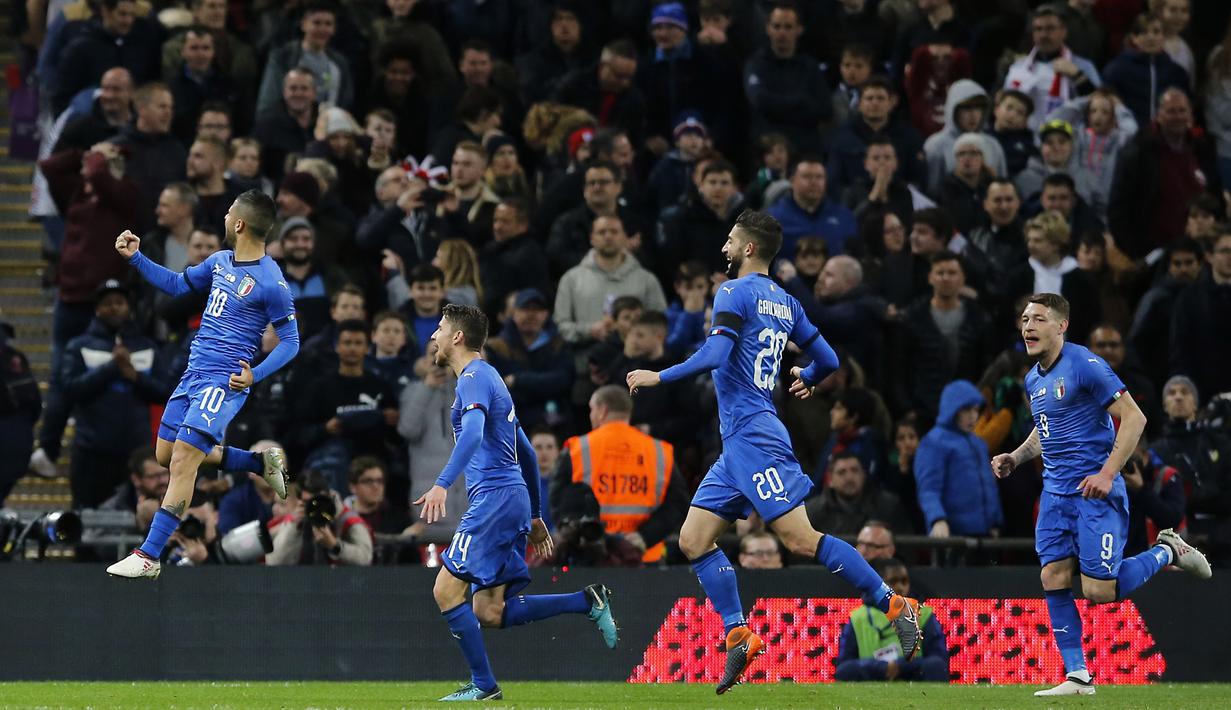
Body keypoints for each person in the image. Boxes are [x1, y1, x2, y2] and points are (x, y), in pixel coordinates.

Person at [625, 210, 922, 694]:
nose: (723, 245)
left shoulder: (733, 292)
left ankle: (893, 603)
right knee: (693, 539)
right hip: (740, 441)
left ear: (747, 249)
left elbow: (717, 356)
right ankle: (739, 633)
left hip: (755, 437)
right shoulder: (786, 302)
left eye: (730, 239)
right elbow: (827, 359)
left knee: (801, 540)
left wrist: (658, 375)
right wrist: (805, 376)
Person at [991, 293, 1212, 697]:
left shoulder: (1085, 364)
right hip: (1056, 495)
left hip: (1096, 493)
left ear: (1061, 326)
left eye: (1038, 319)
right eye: (1024, 319)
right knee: (1052, 575)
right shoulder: (1033, 378)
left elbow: (1135, 417)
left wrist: (1108, 473)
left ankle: (1167, 550)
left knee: (1099, 592)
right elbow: (1046, 429)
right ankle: (1078, 676)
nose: (1028, 327)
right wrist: (1017, 457)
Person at [415, 304, 618, 702]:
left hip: (493, 499)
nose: (433, 336)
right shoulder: (492, 380)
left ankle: (484, 686)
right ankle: (586, 601)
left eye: (439, 329)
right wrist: (537, 514)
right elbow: (524, 451)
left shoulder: (472, 379)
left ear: (457, 337)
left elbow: (472, 434)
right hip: (511, 499)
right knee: (487, 611)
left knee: (445, 591)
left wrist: (441, 483)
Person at [106, 190, 298, 579]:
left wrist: (254, 374)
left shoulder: (272, 282)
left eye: (229, 214)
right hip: (192, 374)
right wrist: (136, 258)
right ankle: (259, 462)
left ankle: (149, 554)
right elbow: (178, 285)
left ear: (239, 224)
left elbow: (292, 341)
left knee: (182, 462)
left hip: (223, 382)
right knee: (165, 454)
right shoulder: (219, 261)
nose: (225, 218)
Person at [552, 385, 687, 563]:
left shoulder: (577, 449)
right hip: (642, 556)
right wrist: (645, 536)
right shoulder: (659, 451)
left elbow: (558, 501)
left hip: (592, 555)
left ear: (602, 410)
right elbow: (678, 504)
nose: (591, 415)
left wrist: (580, 535)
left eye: (592, 409)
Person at [914, 380, 1004, 542]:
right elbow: (928, 489)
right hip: (950, 535)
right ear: (952, 410)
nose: (973, 416)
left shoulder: (978, 444)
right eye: (966, 410)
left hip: (985, 535)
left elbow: (989, 485)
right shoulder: (934, 442)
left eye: (976, 410)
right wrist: (937, 519)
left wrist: (994, 522)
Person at [834, 558, 949, 682]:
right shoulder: (858, 619)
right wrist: (882, 668)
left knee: (935, 666)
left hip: (914, 683)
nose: (900, 587)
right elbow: (843, 669)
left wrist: (900, 666)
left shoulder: (924, 614)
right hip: (871, 686)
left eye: (904, 581)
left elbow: (939, 663)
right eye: (893, 582)